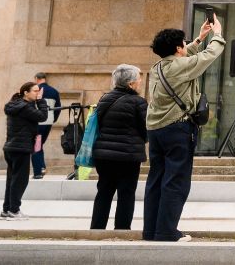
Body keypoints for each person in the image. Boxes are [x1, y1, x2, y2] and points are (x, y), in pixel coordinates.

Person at [142, 18, 225, 242]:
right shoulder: (180, 66)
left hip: (156, 130)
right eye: (183, 43)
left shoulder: (158, 66)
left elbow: (184, 56)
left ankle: (151, 231)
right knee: (176, 181)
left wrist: (199, 38)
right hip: (176, 129)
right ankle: (167, 231)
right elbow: (207, 57)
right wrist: (217, 34)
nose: (185, 45)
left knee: (156, 180)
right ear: (178, 48)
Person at [90, 64, 148, 230]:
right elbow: (145, 129)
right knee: (126, 193)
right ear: (130, 84)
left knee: (104, 192)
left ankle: (97, 228)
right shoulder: (139, 102)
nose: (140, 82)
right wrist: (139, 141)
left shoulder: (104, 99)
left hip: (104, 155)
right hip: (128, 156)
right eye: (138, 79)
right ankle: (122, 229)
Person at [1, 81, 48, 219]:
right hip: (20, 148)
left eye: (38, 91)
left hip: (11, 148)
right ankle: (14, 210)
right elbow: (42, 116)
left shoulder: (15, 105)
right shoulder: (24, 107)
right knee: (20, 180)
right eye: (34, 91)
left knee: (12, 180)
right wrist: (41, 101)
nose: (37, 93)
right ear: (26, 93)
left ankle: (6, 210)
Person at [32, 72, 61, 180]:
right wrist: (53, 119)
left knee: (36, 146)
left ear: (36, 78)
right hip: (48, 122)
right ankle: (42, 166)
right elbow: (58, 108)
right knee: (39, 144)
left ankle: (38, 171)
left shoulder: (35, 90)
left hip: (37, 122)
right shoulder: (54, 91)